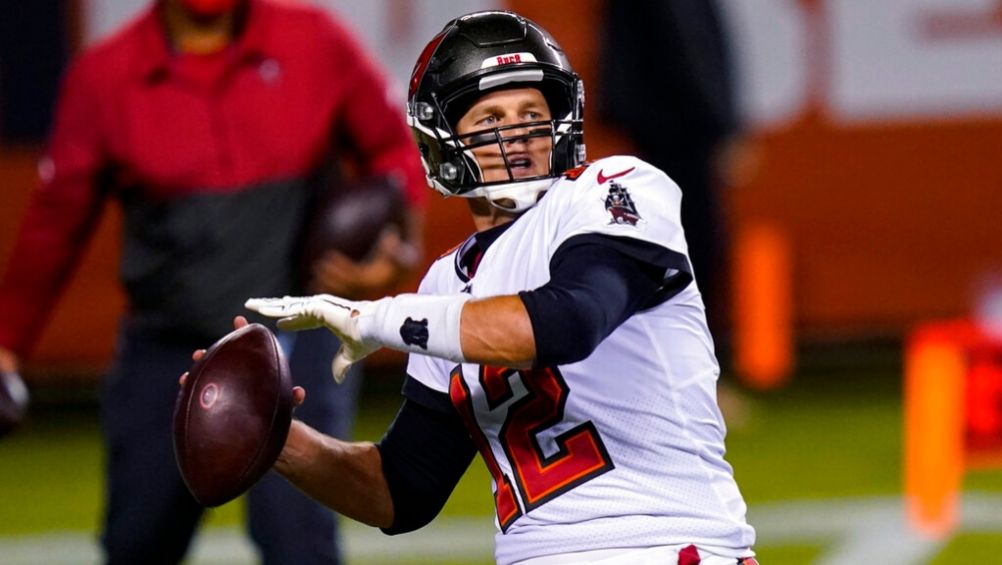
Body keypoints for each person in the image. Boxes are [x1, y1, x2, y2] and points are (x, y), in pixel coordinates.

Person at [237, 10, 758, 564]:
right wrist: (271, 435)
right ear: (443, 142)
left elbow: (568, 322)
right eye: (490, 121)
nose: (518, 135)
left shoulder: (613, 191)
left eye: (532, 113)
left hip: (660, 547)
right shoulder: (445, 284)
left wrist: (375, 319)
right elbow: (402, 487)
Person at [0, 0, 426, 563]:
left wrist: (398, 252)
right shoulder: (106, 74)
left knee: (299, 543)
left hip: (294, 340)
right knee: (139, 542)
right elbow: (55, 225)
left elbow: (394, 151)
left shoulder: (314, 40)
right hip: (168, 347)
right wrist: (7, 345)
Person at [598, 0, 740, 345]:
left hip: (660, 129)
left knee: (671, 254)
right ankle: (696, 372)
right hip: (677, 132)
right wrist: (720, 125)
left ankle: (682, 369)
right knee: (690, 254)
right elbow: (690, 50)